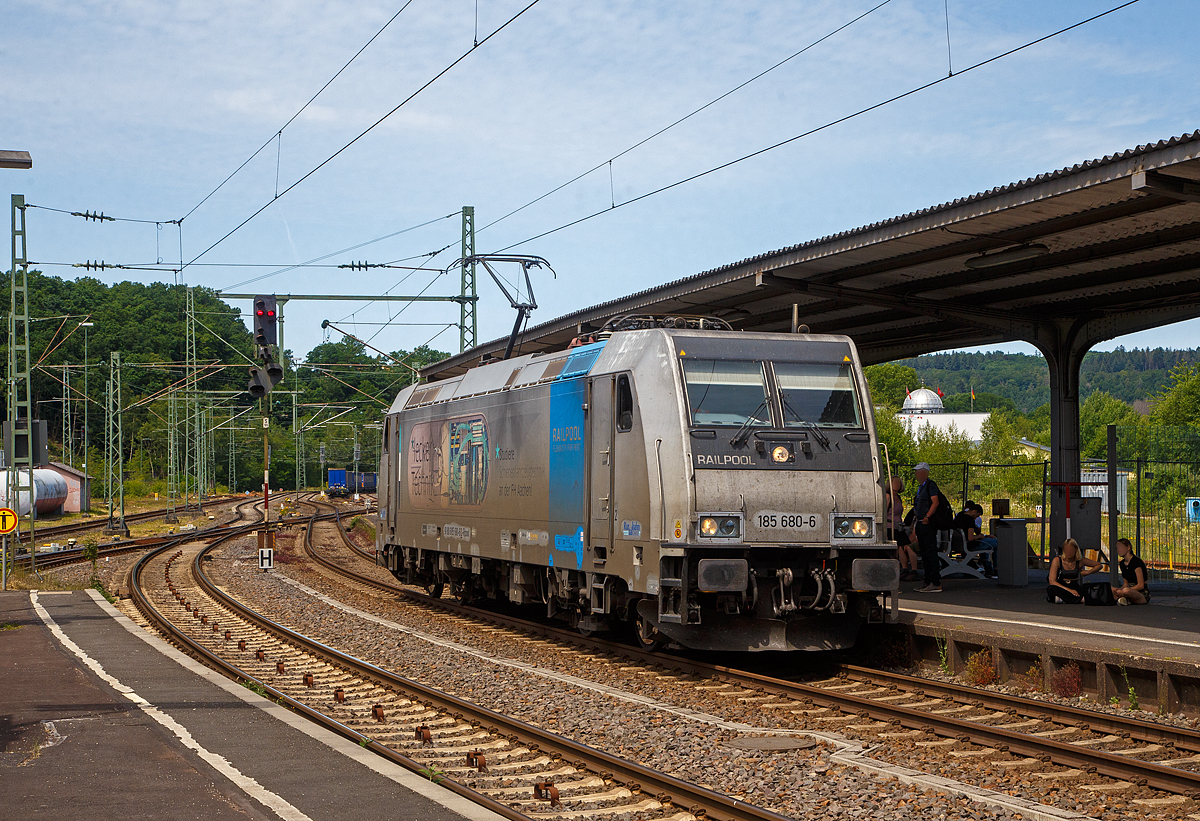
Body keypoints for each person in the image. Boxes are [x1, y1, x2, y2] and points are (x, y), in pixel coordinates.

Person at [911, 462, 944, 593]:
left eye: (919, 472)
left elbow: (935, 502)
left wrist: (927, 517)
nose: (917, 474)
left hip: (927, 523)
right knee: (924, 552)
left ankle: (935, 582)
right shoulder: (922, 487)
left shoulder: (931, 485)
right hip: (920, 522)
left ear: (925, 473)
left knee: (930, 552)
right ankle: (928, 581)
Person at [1046, 538, 1101, 604]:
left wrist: (1088, 572)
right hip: (1062, 586)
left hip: (1074, 586)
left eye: (1071, 550)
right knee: (1051, 589)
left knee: (1087, 588)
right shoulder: (1057, 560)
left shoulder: (1080, 561)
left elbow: (1099, 565)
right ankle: (1079, 599)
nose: (1068, 552)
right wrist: (1070, 590)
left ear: (1076, 550)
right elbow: (1052, 581)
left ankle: (1065, 599)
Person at [886, 476, 920, 581]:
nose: (897, 485)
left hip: (899, 527)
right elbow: (883, 512)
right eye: (894, 482)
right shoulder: (888, 496)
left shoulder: (899, 498)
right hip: (890, 527)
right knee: (896, 548)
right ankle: (896, 571)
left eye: (898, 483)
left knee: (904, 545)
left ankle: (907, 569)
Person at [1110, 537, 1150, 605]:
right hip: (1127, 588)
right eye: (1117, 548)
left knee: (1126, 591)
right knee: (1110, 588)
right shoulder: (1122, 564)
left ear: (1128, 548)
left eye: (1121, 547)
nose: (1118, 550)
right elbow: (1125, 583)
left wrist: (1123, 591)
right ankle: (1123, 599)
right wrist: (1119, 590)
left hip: (1140, 592)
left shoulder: (1136, 562)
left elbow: (1141, 585)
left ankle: (1122, 598)